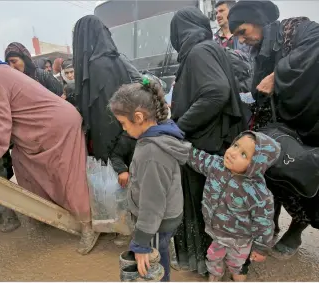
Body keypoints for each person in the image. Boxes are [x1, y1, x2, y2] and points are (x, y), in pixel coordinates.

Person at [228, 0, 319, 259]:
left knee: (306, 170)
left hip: (318, 117)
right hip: (284, 120)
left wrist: (279, 75)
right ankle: (268, 226)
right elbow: (258, 89)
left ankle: (296, 230)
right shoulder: (261, 49)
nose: (242, 39)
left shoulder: (296, 30)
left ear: (259, 20)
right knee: (270, 169)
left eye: (243, 31)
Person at [0, 43, 99, 255]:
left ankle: (88, 226)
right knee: (22, 162)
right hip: (54, 122)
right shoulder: (2, 70)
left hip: (54, 126)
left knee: (69, 174)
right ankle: (46, 212)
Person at [169, 7, 247, 275]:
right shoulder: (208, 47)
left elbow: (216, 92)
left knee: (205, 207)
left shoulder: (199, 52)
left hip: (205, 144)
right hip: (216, 141)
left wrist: (179, 126)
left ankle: (207, 264)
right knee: (219, 208)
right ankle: (223, 263)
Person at [109, 78, 191, 282]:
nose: (124, 129)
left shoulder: (152, 152)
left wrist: (142, 242)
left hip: (156, 223)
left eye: (123, 123)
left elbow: (152, 203)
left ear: (138, 117)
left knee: (149, 263)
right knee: (159, 253)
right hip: (162, 218)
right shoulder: (159, 134)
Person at [186, 131, 281, 281]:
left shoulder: (258, 193)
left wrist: (261, 248)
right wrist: (179, 146)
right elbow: (198, 158)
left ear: (256, 165)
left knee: (236, 262)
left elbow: (264, 223)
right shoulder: (216, 165)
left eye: (244, 154)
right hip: (215, 232)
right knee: (213, 257)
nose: (233, 153)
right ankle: (215, 275)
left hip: (239, 239)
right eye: (235, 145)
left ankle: (237, 274)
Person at [72, 15, 141, 162]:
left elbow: (105, 119)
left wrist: (109, 160)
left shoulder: (97, 66)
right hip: (126, 141)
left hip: (112, 150)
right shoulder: (115, 60)